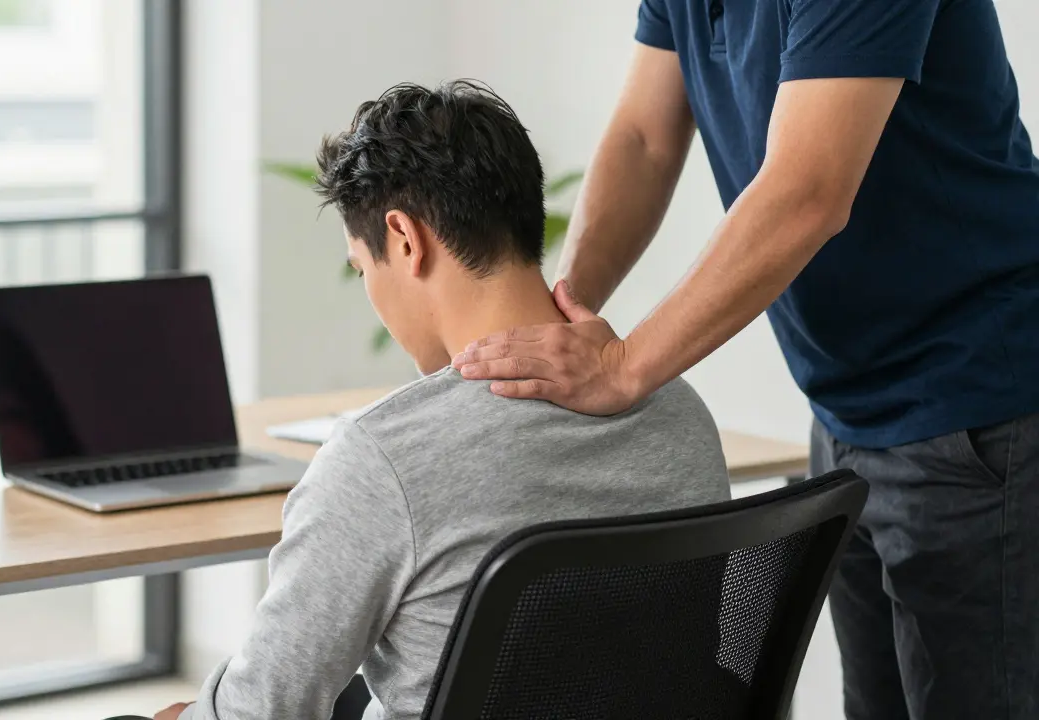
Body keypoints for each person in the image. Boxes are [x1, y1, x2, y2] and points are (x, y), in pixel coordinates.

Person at [451, 3, 1039, 719]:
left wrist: (623, 365)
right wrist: (553, 320)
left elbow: (808, 191)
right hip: (845, 412)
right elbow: (644, 139)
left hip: (980, 407)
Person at [149, 80, 731, 720]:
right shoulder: (678, 410)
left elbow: (256, 714)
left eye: (360, 266)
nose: (369, 287)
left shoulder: (382, 462)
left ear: (403, 238)